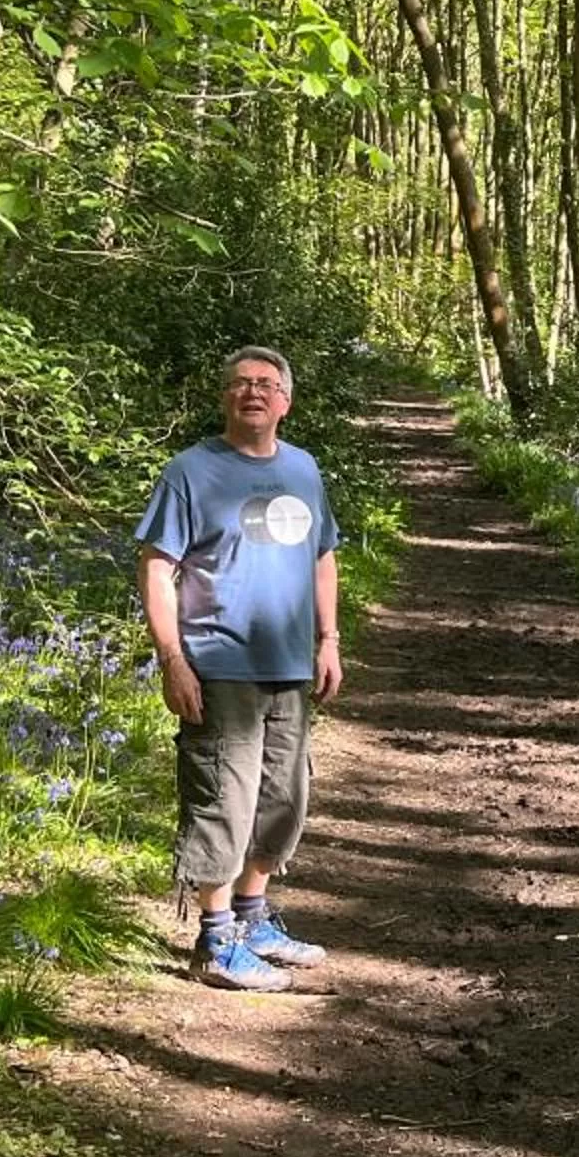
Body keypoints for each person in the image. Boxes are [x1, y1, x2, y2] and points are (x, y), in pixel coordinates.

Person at [135, 346, 345, 990]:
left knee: (284, 798)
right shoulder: (190, 472)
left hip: (289, 664)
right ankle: (215, 941)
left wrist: (329, 639)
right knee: (224, 799)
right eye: (241, 383)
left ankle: (253, 919)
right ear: (225, 397)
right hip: (219, 663)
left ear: (285, 402)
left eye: (266, 384)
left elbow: (323, 556)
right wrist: (173, 659)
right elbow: (157, 569)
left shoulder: (303, 468)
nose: (254, 391)